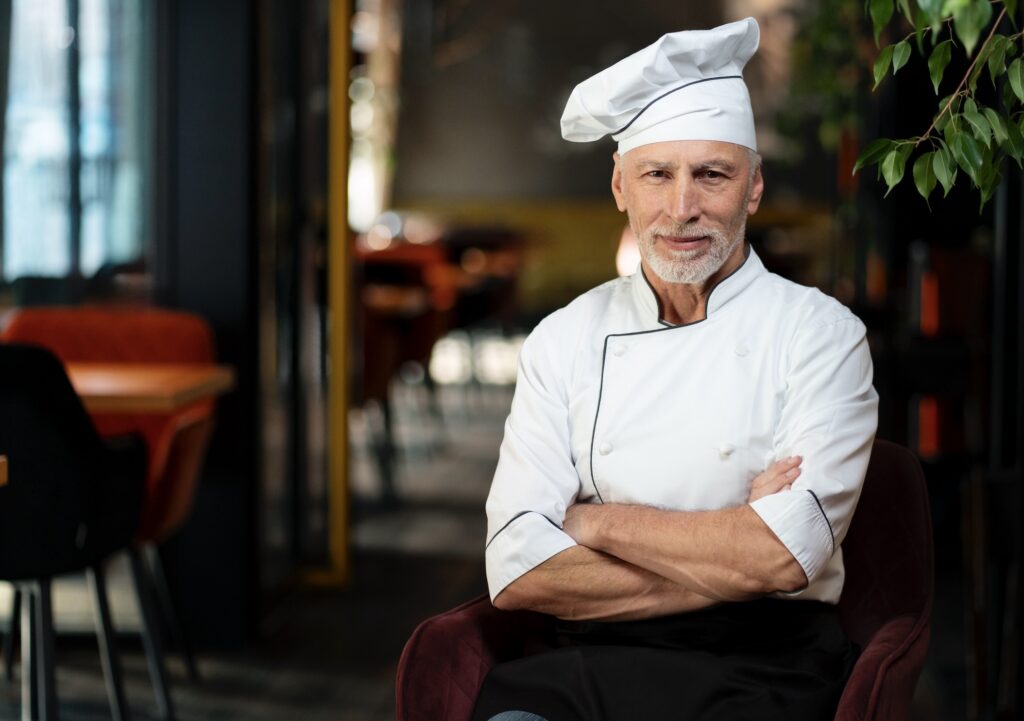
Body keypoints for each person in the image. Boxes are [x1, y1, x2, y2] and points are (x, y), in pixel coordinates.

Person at [471, 17, 879, 721]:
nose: (682, 207)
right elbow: (515, 567)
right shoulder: (562, 339)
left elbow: (784, 556)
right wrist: (735, 543)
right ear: (620, 185)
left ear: (753, 186)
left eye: (711, 175)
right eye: (657, 174)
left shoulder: (821, 335)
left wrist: (594, 524)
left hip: (765, 663)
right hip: (589, 659)